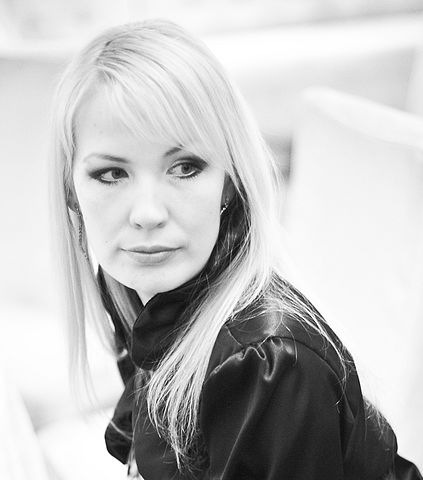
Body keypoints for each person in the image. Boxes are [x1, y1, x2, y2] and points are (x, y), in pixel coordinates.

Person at [49, 19, 422, 480]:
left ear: (229, 182)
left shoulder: (268, 363)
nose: (147, 214)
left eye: (185, 167)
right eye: (111, 174)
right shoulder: (134, 281)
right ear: (71, 192)